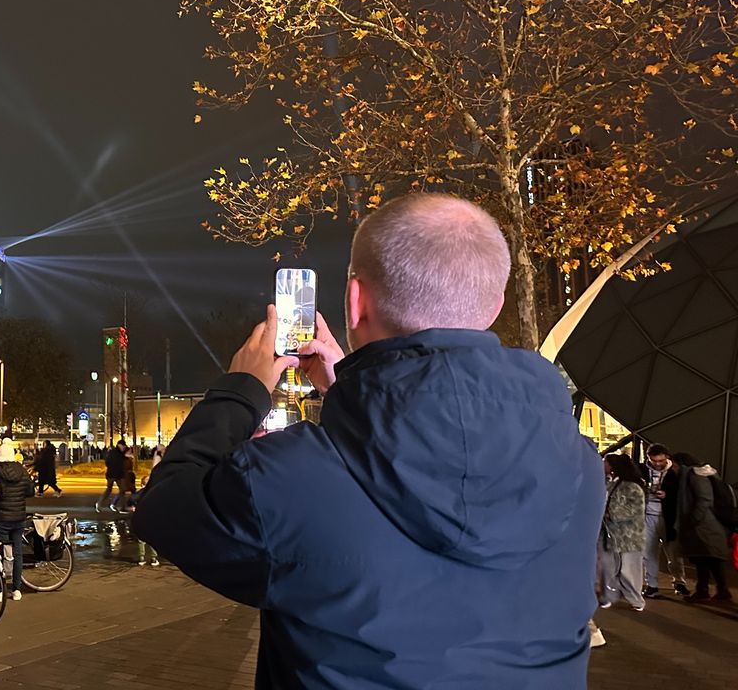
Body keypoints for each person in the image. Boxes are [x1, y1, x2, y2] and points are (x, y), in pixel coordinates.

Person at [133, 193, 605, 688]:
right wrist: (349, 391)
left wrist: (241, 391)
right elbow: (419, 456)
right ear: (495, 304)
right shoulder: (580, 469)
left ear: (356, 301)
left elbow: (167, 509)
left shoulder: (290, 477)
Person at [673, 452, 733, 603]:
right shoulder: (701, 473)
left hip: (705, 526)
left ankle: (712, 591)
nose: (672, 468)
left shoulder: (695, 475)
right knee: (706, 558)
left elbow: (704, 499)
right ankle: (711, 590)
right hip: (706, 525)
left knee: (709, 558)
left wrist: (693, 519)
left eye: (673, 465)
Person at [598, 453, 647, 611]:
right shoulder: (611, 483)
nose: (602, 465)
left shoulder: (632, 486)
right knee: (607, 567)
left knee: (628, 571)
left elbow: (636, 509)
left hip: (628, 536)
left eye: (605, 463)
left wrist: (609, 513)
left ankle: (636, 600)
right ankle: (608, 596)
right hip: (611, 534)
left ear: (612, 466)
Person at [640, 444, 688, 597]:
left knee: (674, 553)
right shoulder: (642, 470)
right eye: (654, 461)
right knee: (649, 552)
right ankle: (652, 585)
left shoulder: (675, 472)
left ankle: (679, 582)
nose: (657, 464)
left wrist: (667, 495)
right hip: (648, 515)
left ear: (666, 457)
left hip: (669, 517)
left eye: (660, 460)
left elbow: (683, 495)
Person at [0, 440, 32, 602]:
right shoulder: (22, 470)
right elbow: (30, 491)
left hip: (1, 518)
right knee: (17, 552)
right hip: (19, 517)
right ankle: (17, 589)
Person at [97, 440, 126, 512]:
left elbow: (107, 462)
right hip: (116, 474)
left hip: (112, 474)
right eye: (123, 446)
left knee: (110, 489)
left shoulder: (114, 452)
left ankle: (100, 503)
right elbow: (117, 463)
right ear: (120, 445)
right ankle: (116, 505)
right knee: (121, 489)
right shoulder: (117, 453)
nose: (124, 448)